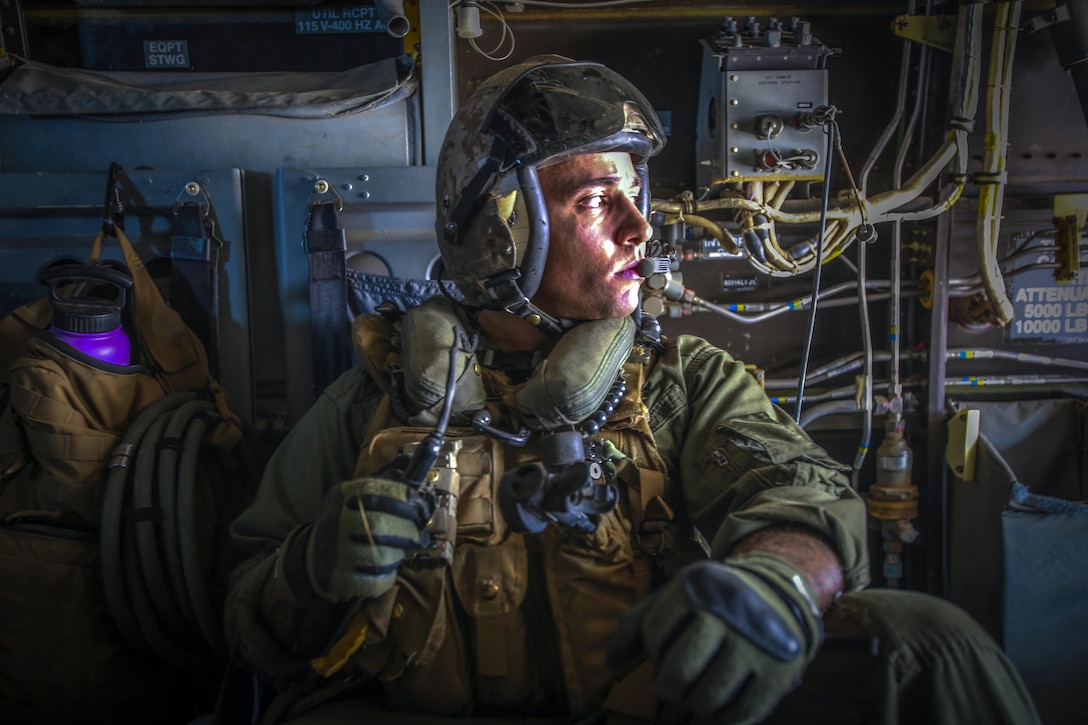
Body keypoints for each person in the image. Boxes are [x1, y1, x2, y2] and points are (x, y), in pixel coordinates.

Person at [224, 55, 1040, 725]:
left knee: (927, 645)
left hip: (646, 707)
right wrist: (306, 568)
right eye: (595, 200)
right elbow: (244, 614)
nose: (639, 228)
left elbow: (800, 500)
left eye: (633, 195)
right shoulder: (370, 404)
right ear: (501, 235)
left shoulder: (686, 383)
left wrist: (777, 584)